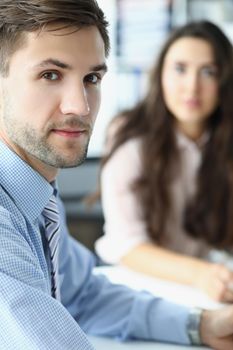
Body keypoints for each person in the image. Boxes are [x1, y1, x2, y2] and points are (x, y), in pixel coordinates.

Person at [1, 2, 233, 349]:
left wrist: (200, 324)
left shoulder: (39, 194)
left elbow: (84, 294)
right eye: (50, 75)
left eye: (91, 78)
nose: (80, 107)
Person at [95, 20, 233, 303]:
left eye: (208, 72)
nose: (192, 87)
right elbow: (126, 244)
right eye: (180, 69)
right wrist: (201, 274)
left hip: (205, 289)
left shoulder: (225, 141)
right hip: (139, 289)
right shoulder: (129, 135)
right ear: (160, 75)